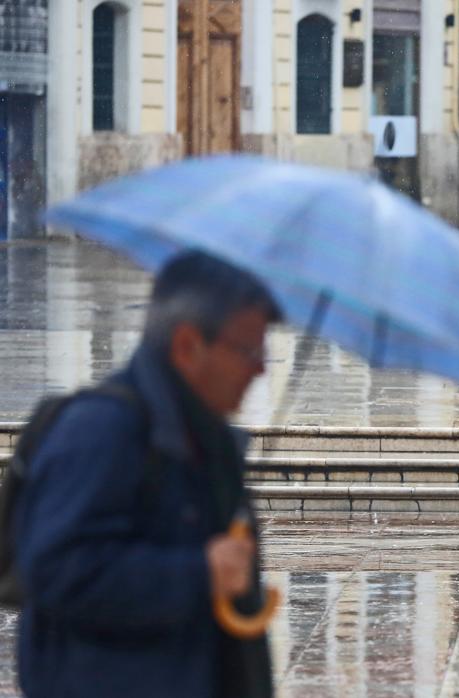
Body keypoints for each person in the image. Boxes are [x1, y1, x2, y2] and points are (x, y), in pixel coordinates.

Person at [13, 251, 280, 697]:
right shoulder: (101, 431)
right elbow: (55, 570)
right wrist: (198, 573)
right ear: (187, 346)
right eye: (247, 350)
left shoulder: (209, 441)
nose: (261, 368)